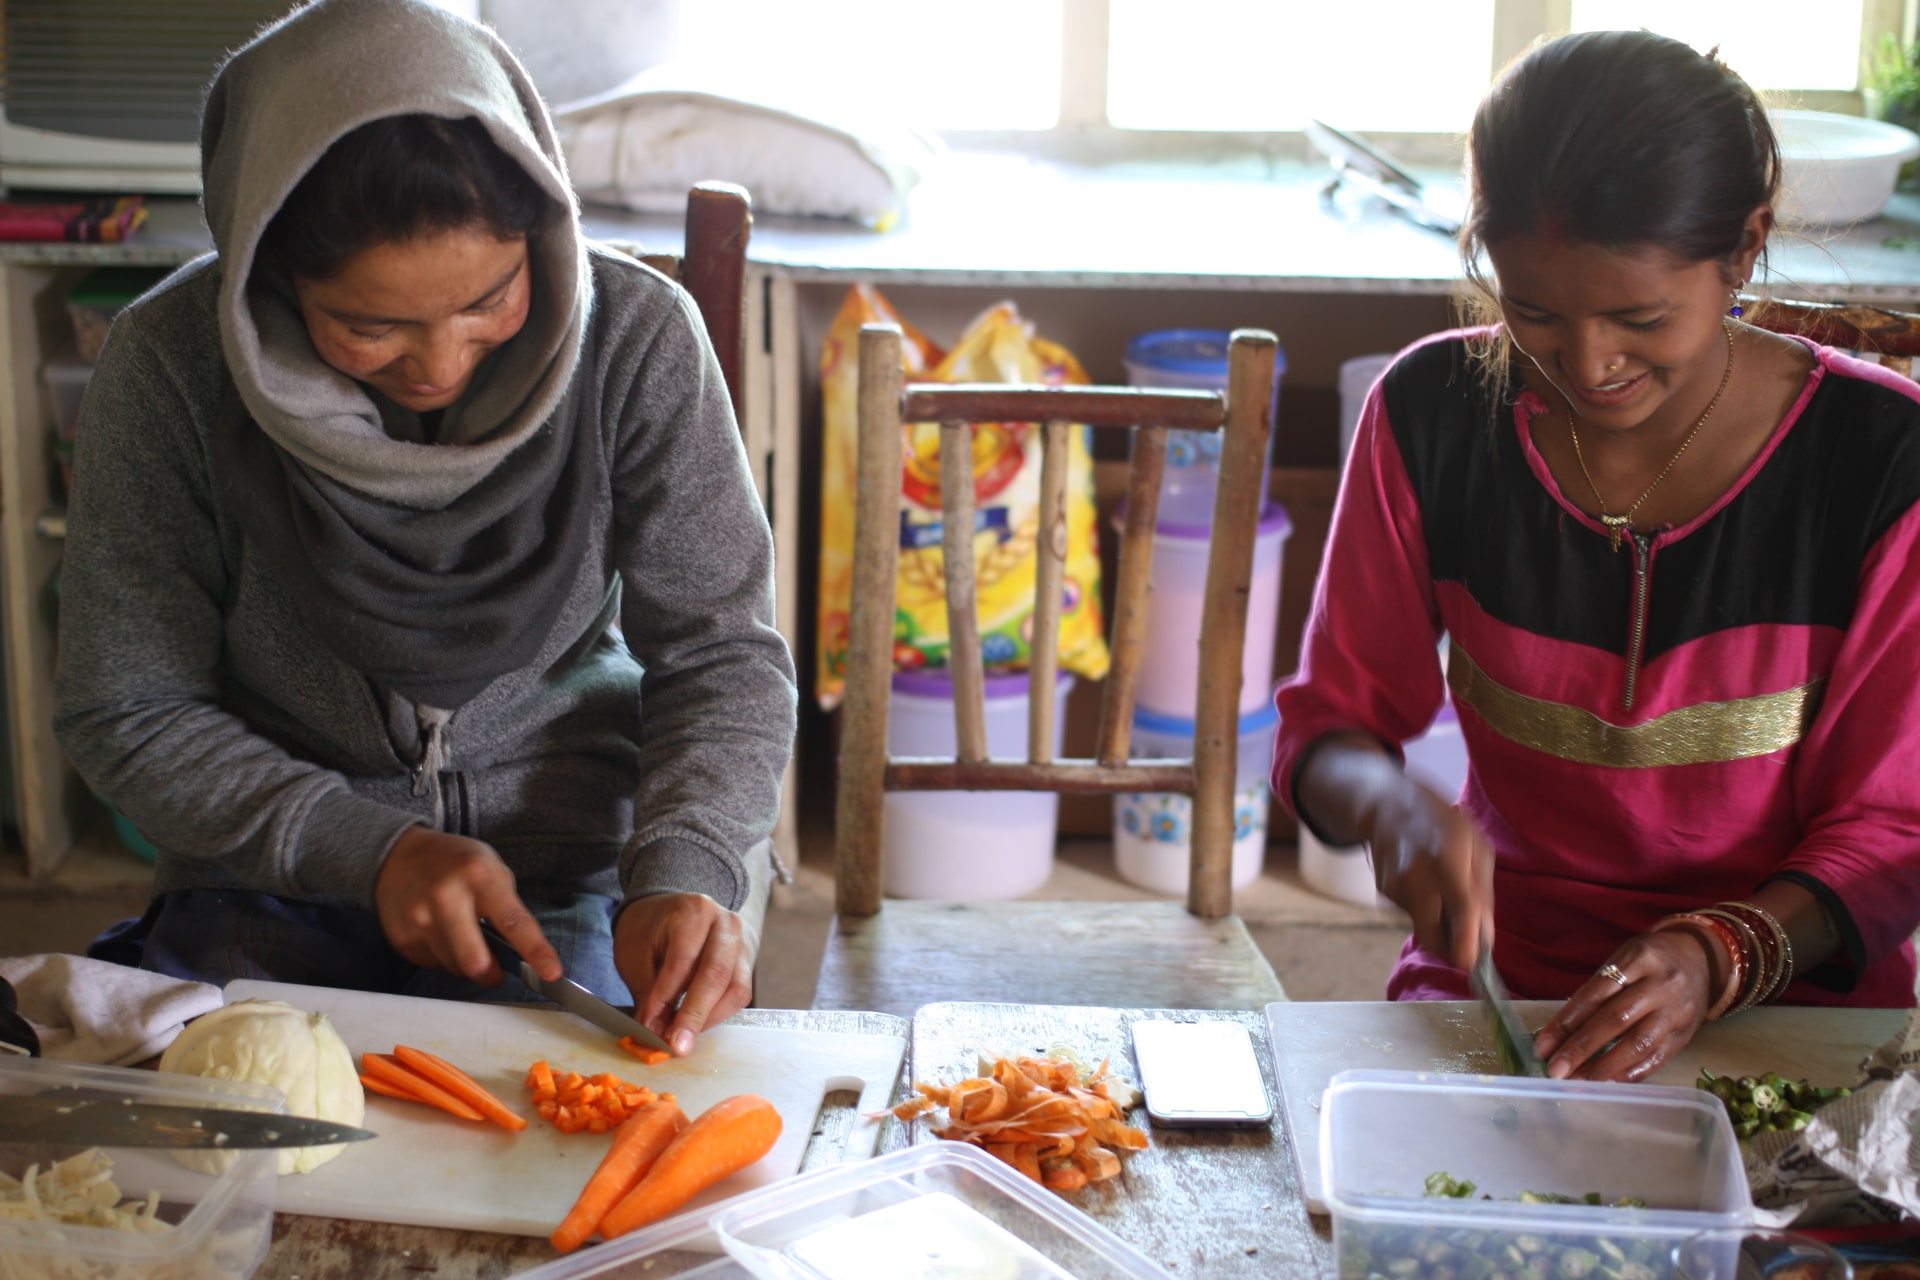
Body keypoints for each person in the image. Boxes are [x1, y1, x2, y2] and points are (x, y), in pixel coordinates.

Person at [52, 0, 797, 1058]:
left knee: (556, 1138)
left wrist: (681, 863)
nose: (442, 366)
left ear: (541, 226)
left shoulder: (634, 340)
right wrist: (367, 848)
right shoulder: (172, 364)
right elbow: (125, 705)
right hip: (272, 867)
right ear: (268, 271)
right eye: (369, 325)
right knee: (219, 1143)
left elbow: (722, 653)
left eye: (490, 299)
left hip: (571, 874)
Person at [1273, 29, 1920, 1083]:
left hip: (1797, 990)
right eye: (1532, 310)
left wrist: (1714, 956)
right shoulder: (1432, 417)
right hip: (1509, 982)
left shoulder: (1886, 464)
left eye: (1640, 317)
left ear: (1745, 249)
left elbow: (1897, 826)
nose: (1586, 363)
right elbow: (1330, 721)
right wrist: (1388, 808)